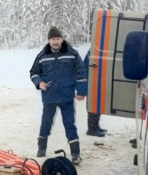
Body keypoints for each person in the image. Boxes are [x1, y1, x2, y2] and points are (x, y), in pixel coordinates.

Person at [29, 26, 87, 165]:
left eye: (57, 39)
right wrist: (39, 83)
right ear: (49, 40)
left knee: (70, 124)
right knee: (46, 123)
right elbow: (34, 73)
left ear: (62, 39)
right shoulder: (42, 56)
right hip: (49, 96)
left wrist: (81, 91)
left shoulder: (72, 54)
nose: (55, 42)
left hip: (66, 96)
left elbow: (81, 72)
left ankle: (75, 154)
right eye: (53, 39)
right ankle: (41, 148)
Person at [83, 49, 106, 137]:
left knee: (98, 104)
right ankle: (91, 128)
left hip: (95, 78)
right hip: (92, 80)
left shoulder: (96, 49)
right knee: (94, 104)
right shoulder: (93, 50)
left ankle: (96, 126)